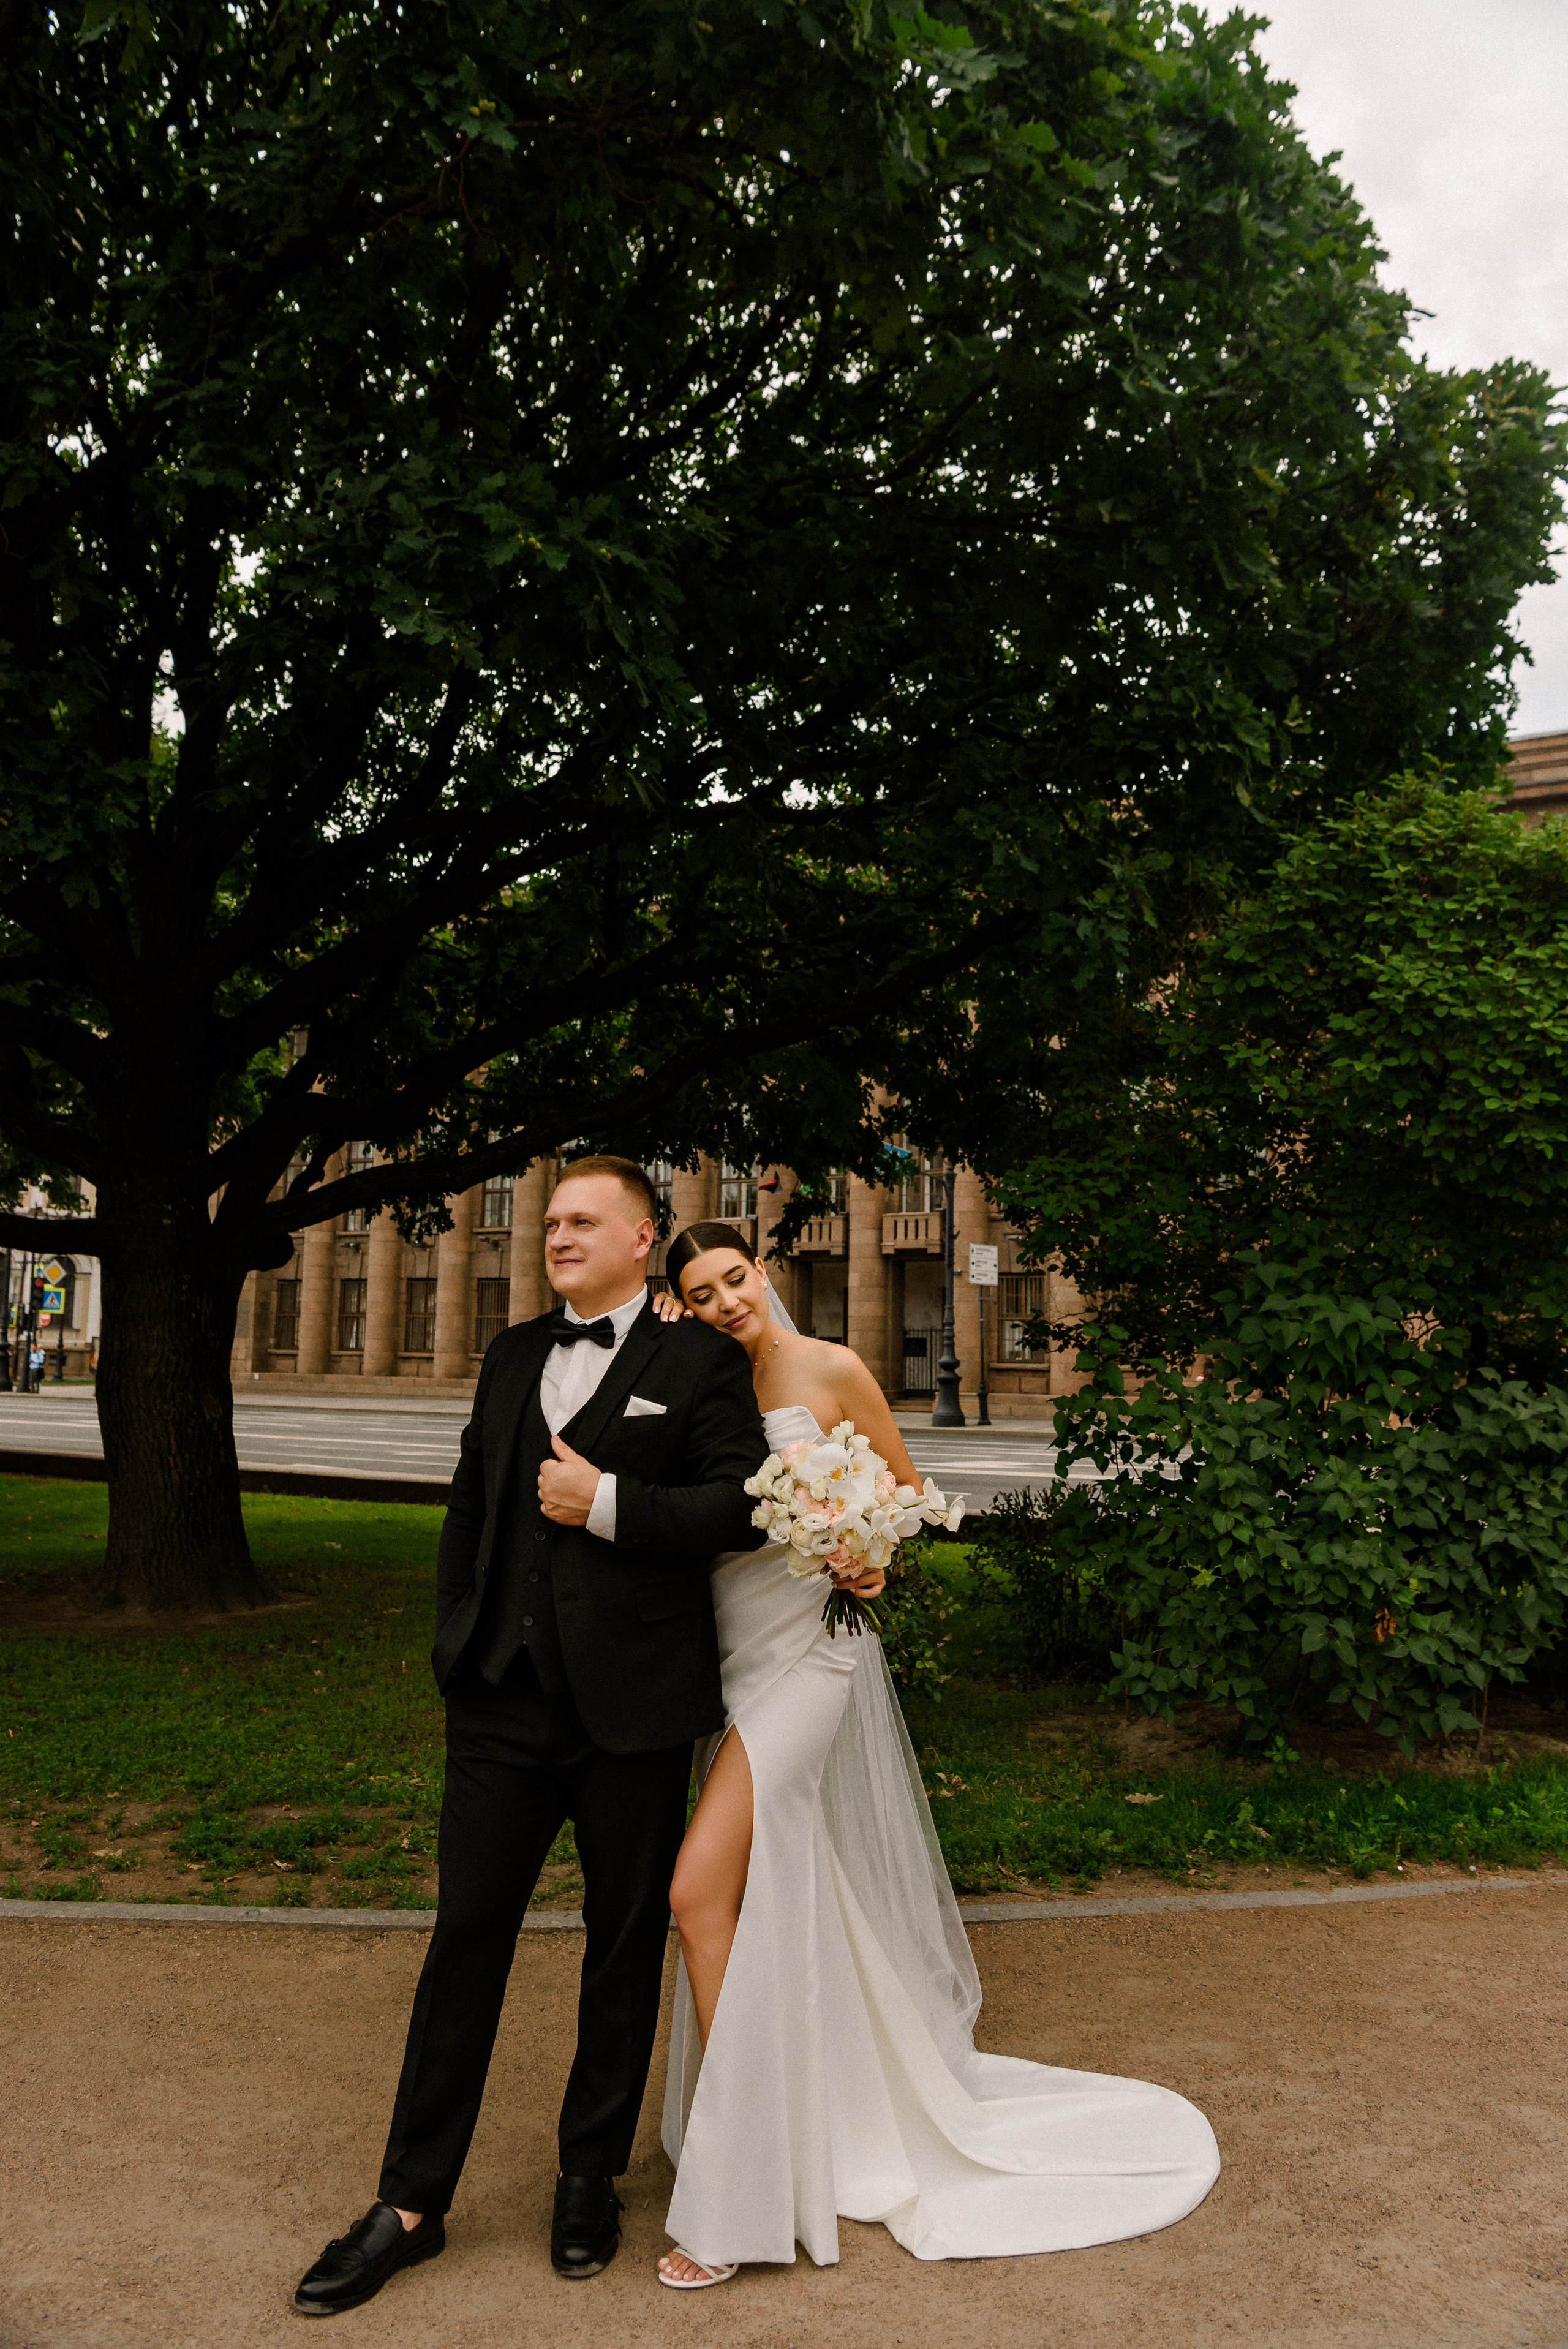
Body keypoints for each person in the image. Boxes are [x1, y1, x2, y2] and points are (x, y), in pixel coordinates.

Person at [649, 1221, 1221, 2288]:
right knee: (778, 1884)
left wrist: (866, 1556)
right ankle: (815, 2105)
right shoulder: (688, 1381)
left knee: (696, 1892)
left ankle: (750, 2170)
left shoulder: (831, 1367)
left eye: (735, 1278)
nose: (727, 1300)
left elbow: (909, 1500)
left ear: (760, 1272)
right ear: (681, 1302)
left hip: (812, 1659)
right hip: (728, 1653)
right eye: (701, 1290)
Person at [293, 1160, 769, 2317]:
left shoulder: (699, 1359)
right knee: (465, 1943)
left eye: (580, 1220)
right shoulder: (509, 1357)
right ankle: (408, 2201)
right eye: (550, 1221)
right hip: (499, 1705)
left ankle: (586, 2180)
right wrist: (457, 1643)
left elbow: (744, 1502)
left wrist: (606, 1502)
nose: (556, 1235)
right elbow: (471, 1507)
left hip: (637, 1711)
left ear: (641, 1236)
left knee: (619, 1952)